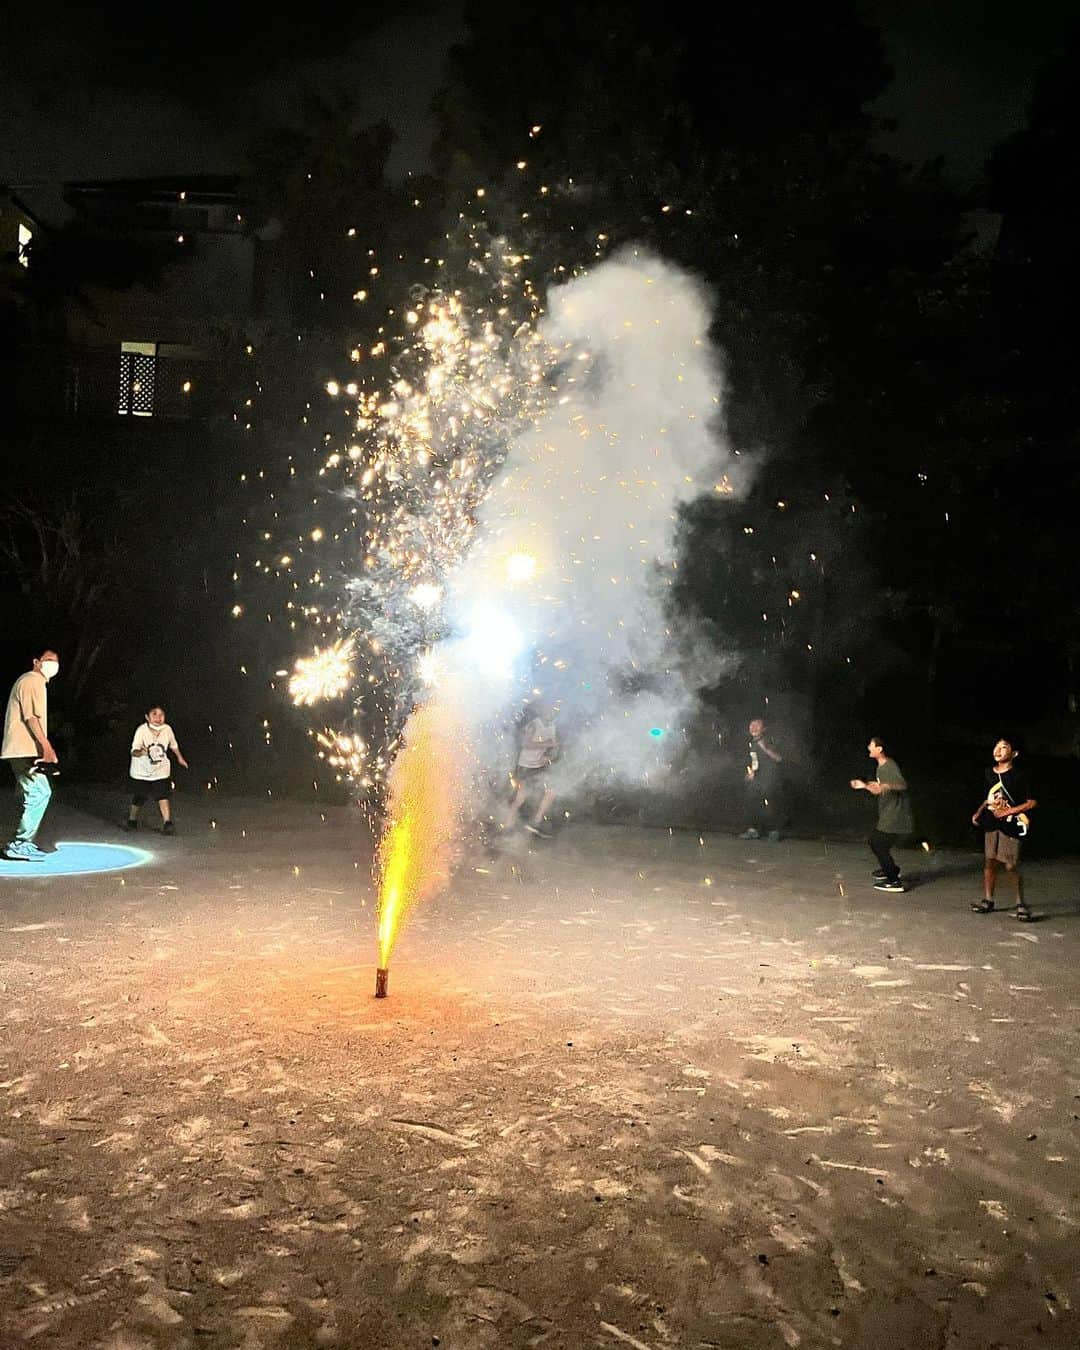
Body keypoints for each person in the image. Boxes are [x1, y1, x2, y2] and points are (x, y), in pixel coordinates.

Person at [1, 648, 60, 861]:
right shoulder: (32, 680)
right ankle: (19, 843)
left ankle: (21, 842)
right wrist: (46, 746)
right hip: (23, 748)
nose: (53, 664)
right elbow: (31, 717)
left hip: (22, 749)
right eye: (49, 660)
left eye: (56, 661)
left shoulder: (33, 682)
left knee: (34, 792)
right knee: (40, 792)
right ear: (37, 662)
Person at [970, 738, 1036, 921]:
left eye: (1004, 747)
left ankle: (1020, 903)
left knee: (1011, 865)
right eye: (996, 747)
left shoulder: (1019, 775)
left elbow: (1031, 802)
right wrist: (978, 812)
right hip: (991, 823)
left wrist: (1009, 810)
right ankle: (988, 900)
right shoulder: (988, 773)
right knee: (989, 861)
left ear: (1014, 754)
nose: (998, 750)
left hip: (1011, 825)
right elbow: (989, 797)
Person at [850, 735, 913, 892]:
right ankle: (890, 870)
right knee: (876, 842)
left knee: (877, 843)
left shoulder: (889, 765)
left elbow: (902, 784)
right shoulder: (880, 767)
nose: (868, 748)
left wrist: (887, 786)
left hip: (896, 815)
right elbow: (878, 789)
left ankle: (894, 881)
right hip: (888, 813)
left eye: (871, 746)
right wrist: (864, 785)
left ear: (879, 749)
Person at [126, 704, 188, 834]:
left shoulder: (167, 729)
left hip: (161, 770)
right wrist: (141, 752)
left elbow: (173, 744)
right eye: (154, 714)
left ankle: (167, 823)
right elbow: (134, 750)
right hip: (141, 771)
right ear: (147, 717)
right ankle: (132, 820)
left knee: (162, 795)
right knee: (140, 796)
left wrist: (180, 758)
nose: (158, 718)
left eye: (161, 714)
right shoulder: (141, 730)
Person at [505, 701, 559, 838]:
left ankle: (536, 823)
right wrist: (544, 744)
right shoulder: (534, 724)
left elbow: (553, 747)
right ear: (542, 711)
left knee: (551, 792)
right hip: (525, 767)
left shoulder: (552, 726)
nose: (551, 712)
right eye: (548, 710)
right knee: (520, 798)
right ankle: (507, 827)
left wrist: (549, 756)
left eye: (554, 710)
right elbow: (525, 744)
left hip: (539, 767)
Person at [739, 716, 784, 841]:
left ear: (763, 729)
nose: (753, 728)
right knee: (752, 803)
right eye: (751, 725)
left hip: (770, 778)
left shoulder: (769, 740)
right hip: (757, 778)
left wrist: (765, 747)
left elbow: (779, 758)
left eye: (757, 726)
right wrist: (751, 772)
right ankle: (753, 830)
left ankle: (774, 832)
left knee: (768, 803)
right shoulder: (750, 743)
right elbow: (754, 761)